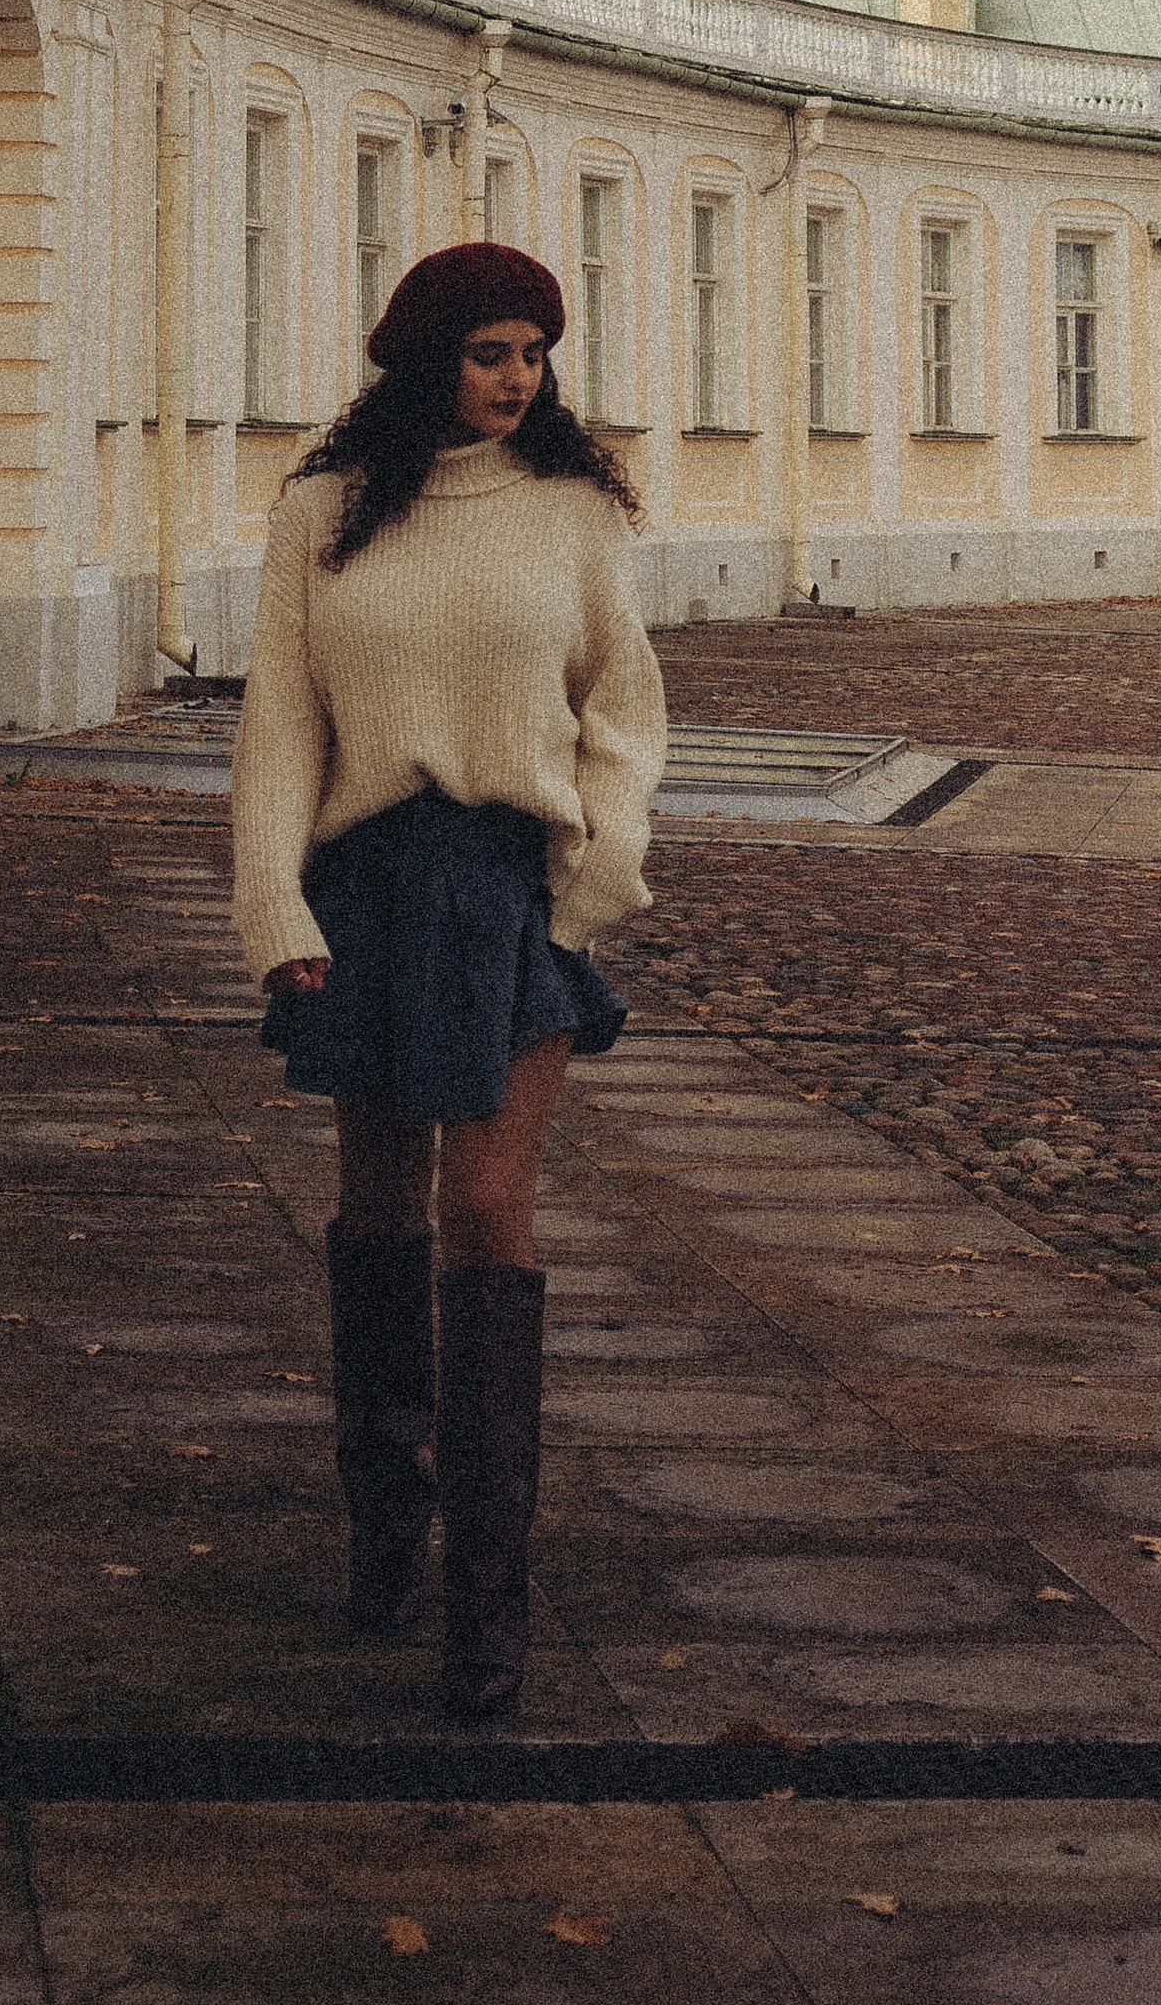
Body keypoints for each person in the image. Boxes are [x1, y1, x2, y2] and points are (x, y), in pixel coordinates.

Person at [230, 239, 666, 1719]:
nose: (517, 380)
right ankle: (385, 1527)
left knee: (486, 1207)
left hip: (512, 887)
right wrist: (270, 897)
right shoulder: (323, 512)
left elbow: (623, 710)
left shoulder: (574, 512)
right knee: (373, 1208)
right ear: (424, 359)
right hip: (364, 887)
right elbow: (282, 721)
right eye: (489, 353)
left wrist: (597, 874)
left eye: (535, 354)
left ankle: (491, 1607)